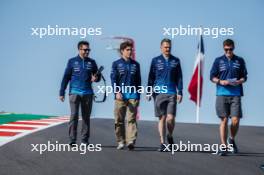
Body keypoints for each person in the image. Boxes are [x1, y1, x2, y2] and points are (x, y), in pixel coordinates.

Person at [210, 39, 248, 156]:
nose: (228, 51)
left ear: (233, 48)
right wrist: (220, 81)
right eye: (226, 49)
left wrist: (239, 81)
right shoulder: (218, 61)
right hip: (222, 93)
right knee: (224, 120)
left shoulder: (240, 60)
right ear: (223, 49)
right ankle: (223, 146)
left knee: (235, 120)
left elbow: (244, 77)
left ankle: (231, 139)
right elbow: (212, 77)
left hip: (235, 94)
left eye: (230, 49)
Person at [59, 40, 101, 146]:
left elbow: (98, 77)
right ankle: (72, 139)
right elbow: (66, 77)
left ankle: (84, 140)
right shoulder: (72, 61)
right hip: (74, 92)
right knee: (74, 116)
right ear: (79, 49)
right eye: (85, 50)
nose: (87, 52)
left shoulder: (92, 62)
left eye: (88, 50)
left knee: (86, 117)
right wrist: (62, 92)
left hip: (88, 93)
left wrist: (95, 78)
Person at [147, 38, 183, 152]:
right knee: (162, 117)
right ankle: (162, 143)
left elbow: (179, 77)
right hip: (158, 93)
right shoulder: (155, 60)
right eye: (166, 47)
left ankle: (170, 135)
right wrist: (148, 91)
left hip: (172, 92)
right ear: (161, 47)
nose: (168, 49)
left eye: (169, 47)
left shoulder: (176, 60)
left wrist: (180, 91)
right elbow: (151, 77)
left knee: (170, 118)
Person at [110, 41, 141, 150]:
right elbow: (113, 79)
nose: (130, 52)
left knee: (131, 119)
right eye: (127, 50)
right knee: (119, 120)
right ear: (122, 51)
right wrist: (116, 92)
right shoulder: (116, 64)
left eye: (131, 50)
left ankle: (131, 141)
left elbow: (138, 81)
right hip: (120, 96)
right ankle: (121, 141)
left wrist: (138, 95)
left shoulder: (136, 65)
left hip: (133, 96)